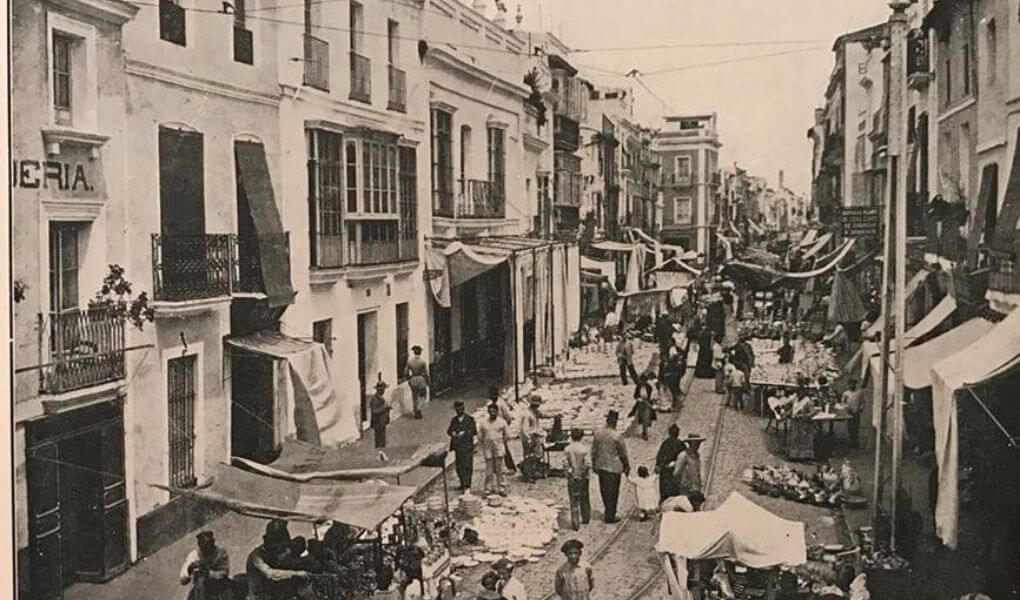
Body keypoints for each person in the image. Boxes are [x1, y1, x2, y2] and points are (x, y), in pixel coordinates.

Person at [246, 520, 310, 600]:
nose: (281, 550)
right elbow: (270, 574)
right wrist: (296, 573)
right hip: (261, 596)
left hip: (274, 591)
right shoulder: (256, 556)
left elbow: (294, 547)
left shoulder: (275, 551)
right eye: (279, 547)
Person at [590, 410, 630, 523]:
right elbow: (623, 453)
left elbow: (593, 451)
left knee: (604, 490)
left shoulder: (598, 434)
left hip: (602, 466)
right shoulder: (617, 436)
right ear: (615, 421)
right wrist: (627, 465)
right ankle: (611, 514)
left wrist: (594, 464)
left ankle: (608, 511)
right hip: (614, 468)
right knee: (614, 491)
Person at [179, 531, 231, 600]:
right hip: (200, 586)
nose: (207, 548)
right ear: (199, 545)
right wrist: (190, 569)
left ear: (213, 542)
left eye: (209, 544)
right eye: (203, 546)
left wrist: (208, 573)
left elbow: (224, 572)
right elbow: (183, 580)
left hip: (219, 584)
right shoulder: (193, 555)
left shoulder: (220, 552)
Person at [477, 402, 511, 496]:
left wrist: (500, 443)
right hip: (488, 448)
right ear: (488, 412)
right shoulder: (483, 422)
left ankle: (501, 488)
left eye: (494, 411)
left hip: (499, 447)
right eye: (490, 411)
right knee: (489, 470)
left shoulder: (502, 422)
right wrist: (484, 444)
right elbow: (480, 436)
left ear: (497, 412)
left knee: (500, 469)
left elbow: (507, 436)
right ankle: (488, 488)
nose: (492, 413)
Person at [564, 428, 591, 529]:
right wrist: (582, 472)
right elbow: (587, 464)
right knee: (584, 497)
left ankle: (575, 522)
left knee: (573, 499)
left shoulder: (567, 449)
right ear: (582, 437)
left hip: (572, 476)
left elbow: (565, 464)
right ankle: (585, 517)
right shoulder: (584, 449)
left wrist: (569, 474)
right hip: (583, 477)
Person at [447, 401, 477, 491]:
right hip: (458, 447)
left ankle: (467, 485)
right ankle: (462, 483)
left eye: (460, 408)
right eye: (457, 408)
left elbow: (474, 431)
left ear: (463, 408)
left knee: (467, 465)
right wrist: (452, 433)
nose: (459, 410)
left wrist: (464, 433)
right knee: (459, 466)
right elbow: (449, 430)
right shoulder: (454, 420)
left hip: (467, 447)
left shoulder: (470, 419)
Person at [655, 424, 686, 501]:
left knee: (665, 492)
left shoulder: (665, 443)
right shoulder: (680, 444)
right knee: (674, 492)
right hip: (674, 471)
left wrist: (658, 465)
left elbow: (659, 456)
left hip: (666, 471)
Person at [519, 395, 546, 482]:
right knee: (528, 456)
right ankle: (528, 475)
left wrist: (555, 415)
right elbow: (524, 428)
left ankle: (526, 468)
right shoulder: (527, 414)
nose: (538, 406)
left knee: (538, 454)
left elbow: (543, 415)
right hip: (529, 437)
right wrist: (528, 439)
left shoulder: (535, 412)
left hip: (536, 436)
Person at [405, 345, 430, 419]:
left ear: (414, 352)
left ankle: (416, 412)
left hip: (413, 379)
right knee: (423, 395)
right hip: (420, 379)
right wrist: (428, 381)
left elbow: (406, 372)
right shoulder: (422, 362)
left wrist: (409, 379)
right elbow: (426, 373)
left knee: (414, 396)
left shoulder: (410, 362)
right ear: (420, 352)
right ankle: (419, 408)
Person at [660, 347, 686, 412]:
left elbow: (667, 372)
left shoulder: (669, 362)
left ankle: (676, 404)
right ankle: (675, 404)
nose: (663, 358)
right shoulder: (663, 363)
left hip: (672, 379)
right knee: (671, 392)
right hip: (669, 379)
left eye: (664, 356)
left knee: (673, 392)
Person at [841, 379, 863, 447]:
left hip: (857, 412)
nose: (852, 385)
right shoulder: (846, 393)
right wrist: (846, 407)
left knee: (856, 426)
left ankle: (855, 440)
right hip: (849, 412)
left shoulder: (859, 392)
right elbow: (842, 402)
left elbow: (863, 402)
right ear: (848, 385)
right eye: (850, 384)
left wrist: (861, 408)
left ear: (856, 385)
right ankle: (851, 440)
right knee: (850, 426)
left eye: (853, 384)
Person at [370, 380, 391, 449]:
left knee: (382, 440)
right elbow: (374, 411)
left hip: (382, 422)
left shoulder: (381, 397)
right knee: (379, 441)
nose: (384, 391)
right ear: (379, 390)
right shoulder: (374, 399)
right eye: (382, 389)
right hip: (378, 423)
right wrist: (384, 408)